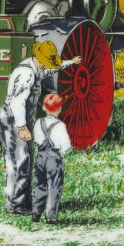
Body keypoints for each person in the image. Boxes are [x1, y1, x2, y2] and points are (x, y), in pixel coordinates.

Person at [0, 40, 81, 215]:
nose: (48, 67)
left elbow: (52, 69)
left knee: (25, 159)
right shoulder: (26, 74)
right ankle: (15, 204)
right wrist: (22, 127)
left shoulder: (36, 67)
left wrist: (71, 62)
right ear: (41, 60)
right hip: (15, 120)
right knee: (20, 160)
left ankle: (23, 200)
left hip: (21, 120)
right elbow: (17, 103)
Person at [32, 93, 71, 224]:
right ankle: (50, 217)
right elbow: (66, 144)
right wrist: (61, 152)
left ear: (44, 108)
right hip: (54, 159)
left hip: (40, 157)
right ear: (59, 109)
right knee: (54, 186)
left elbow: (36, 138)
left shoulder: (39, 122)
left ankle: (36, 213)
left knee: (39, 184)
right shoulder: (60, 126)